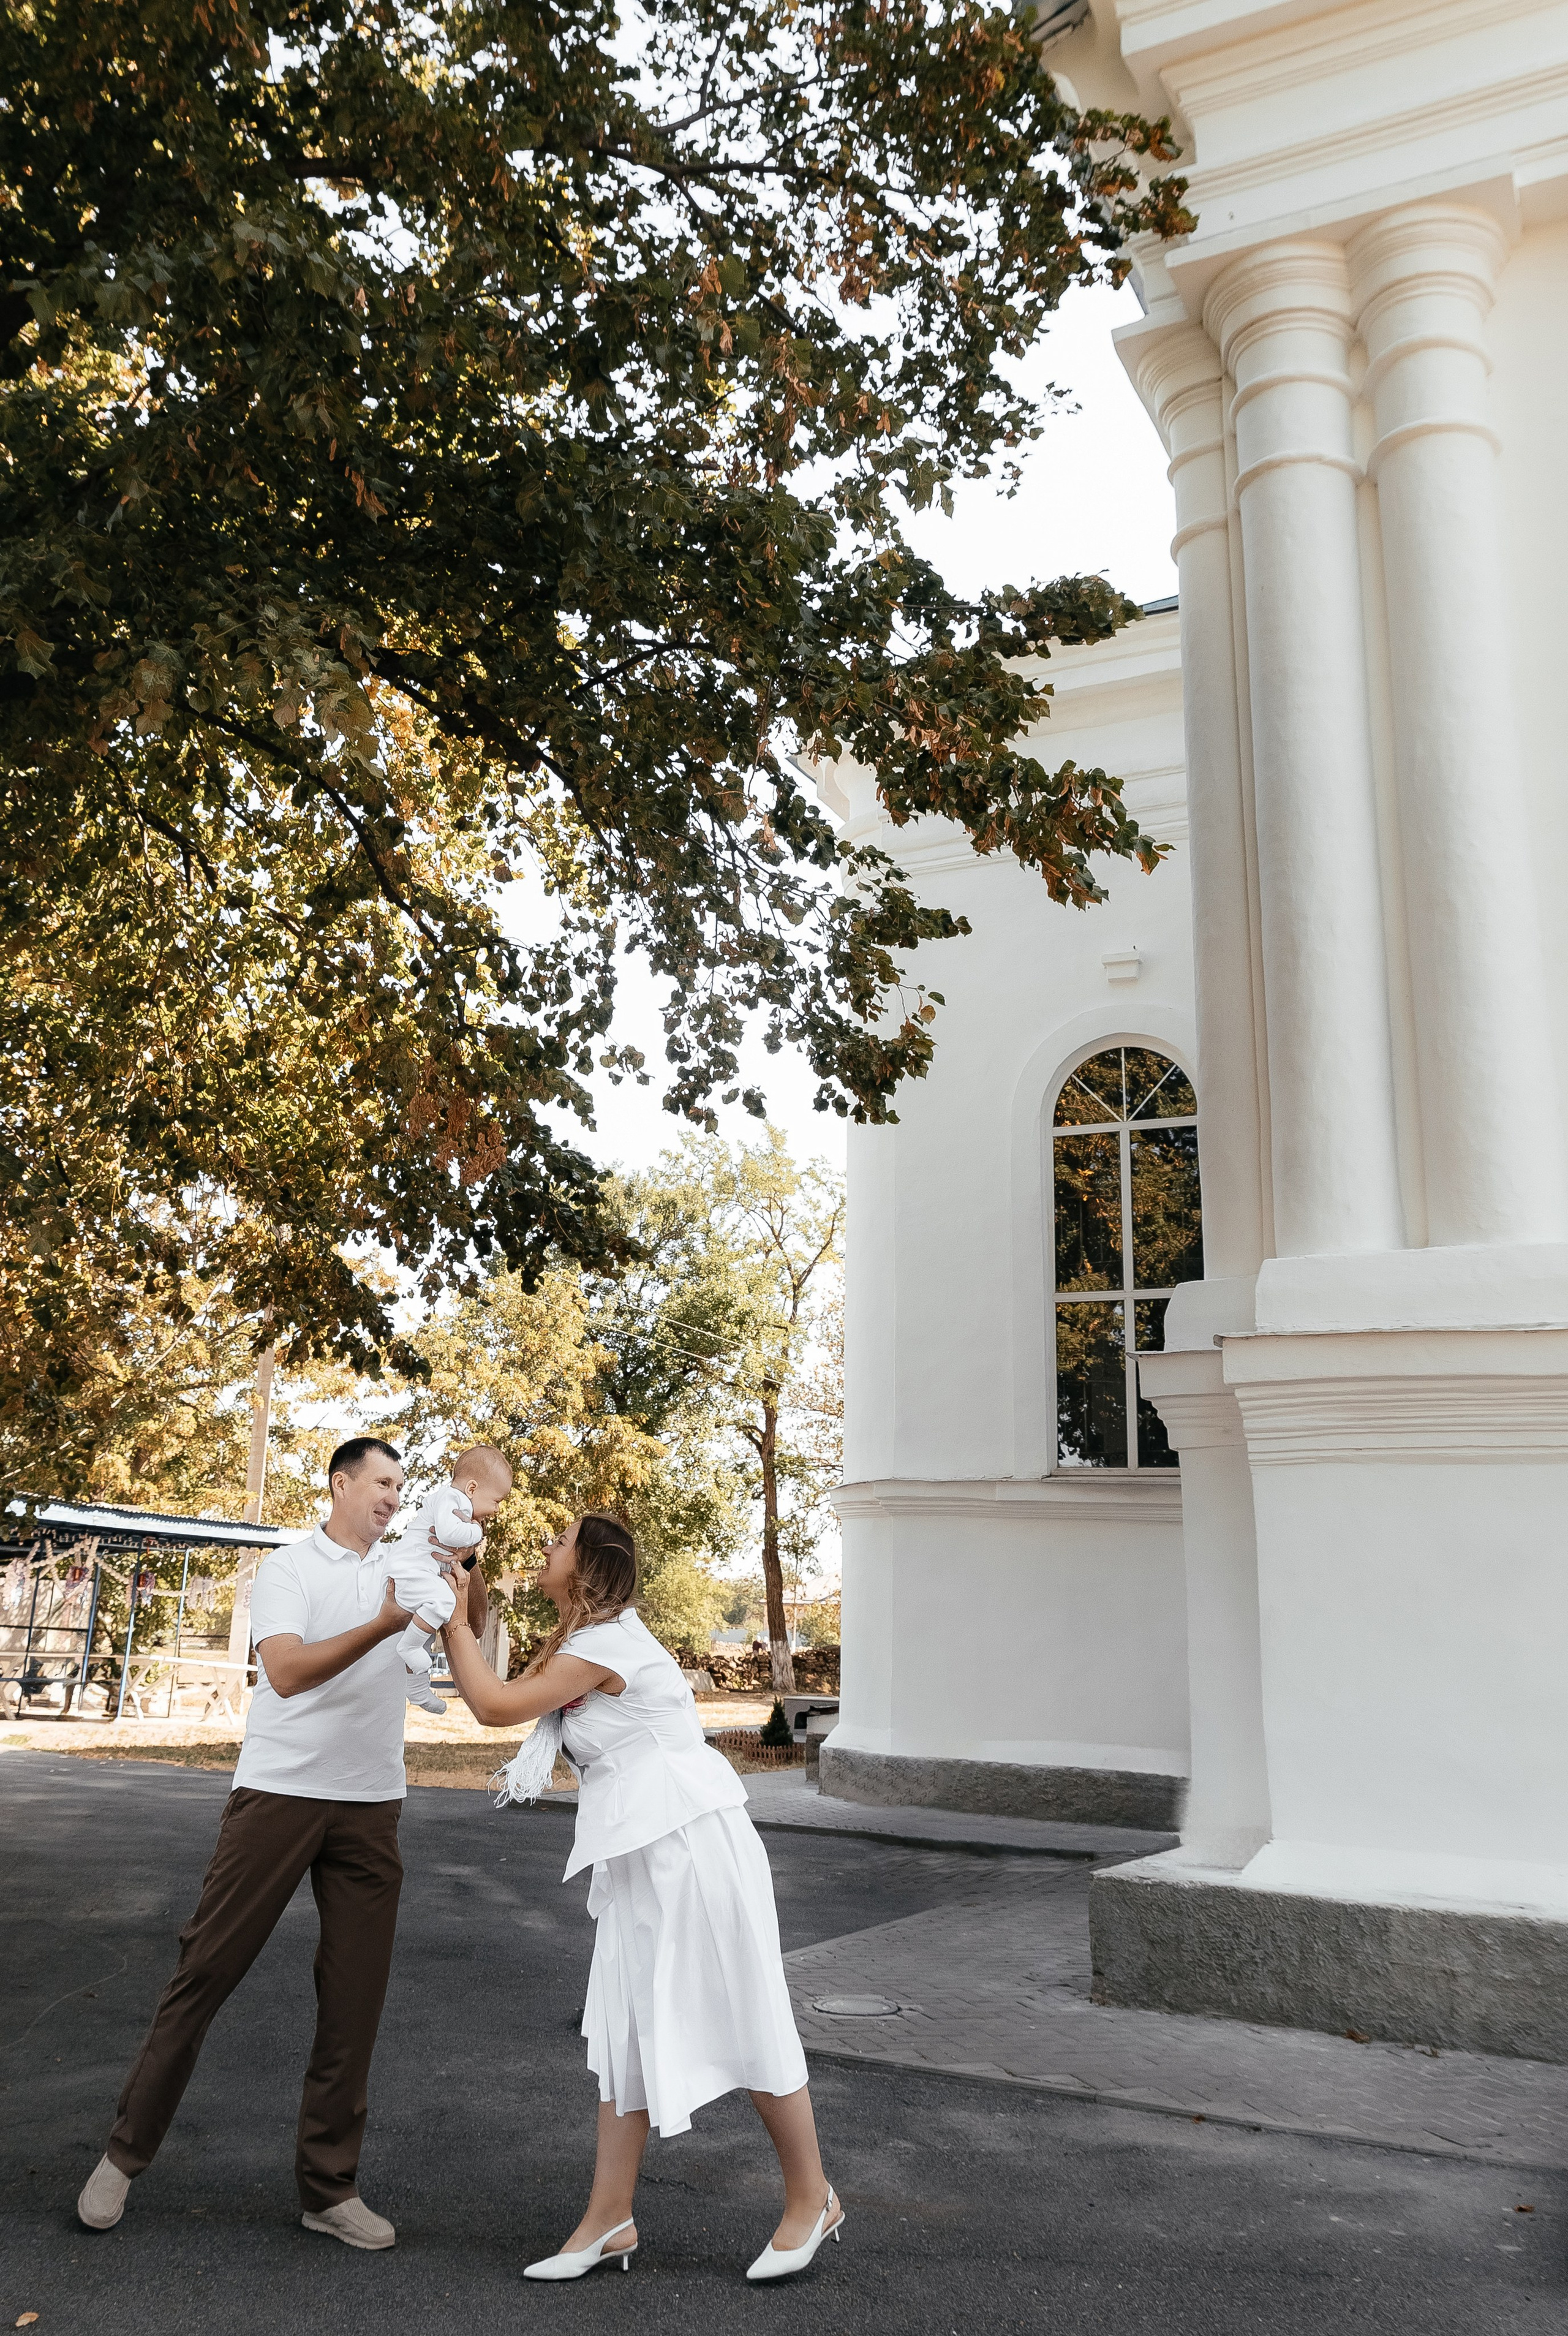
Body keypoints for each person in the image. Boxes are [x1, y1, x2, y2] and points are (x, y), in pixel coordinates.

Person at [76, 1435, 489, 2248]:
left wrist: (451, 1591)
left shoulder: (407, 1566)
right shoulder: (288, 1569)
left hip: (371, 1805)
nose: (393, 1497)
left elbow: (448, 1631)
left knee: (353, 2001)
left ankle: (328, 2190)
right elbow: (290, 1673)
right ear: (340, 1483)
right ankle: (122, 2157)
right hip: (279, 1795)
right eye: (380, 1482)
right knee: (205, 1971)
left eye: (402, 1486)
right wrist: (383, 1622)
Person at [442, 1511, 843, 2285]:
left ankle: (811, 2198)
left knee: (743, 2008)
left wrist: (456, 1619)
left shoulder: (607, 1644)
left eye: (558, 1542)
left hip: (691, 1843)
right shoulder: (579, 1639)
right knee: (625, 2030)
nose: (546, 1547)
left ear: (588, 1565)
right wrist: (464, 1589)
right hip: (639, 1850)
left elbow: (493, 1707)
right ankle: (610, 2218)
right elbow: (496, 1679)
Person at [386, 1446, 514, 1714]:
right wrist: (475, 1533)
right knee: (444, 1602)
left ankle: (419, 1690)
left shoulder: (458, 1501)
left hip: (420, 1575)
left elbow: (476, 1625)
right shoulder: (451, 1498)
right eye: (497, 1501)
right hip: (410, 1572)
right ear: (472, 1488)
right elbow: (448, 1532)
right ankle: (408, 1648)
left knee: (424, 1635)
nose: (497, 1510)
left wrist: (467, 1554)